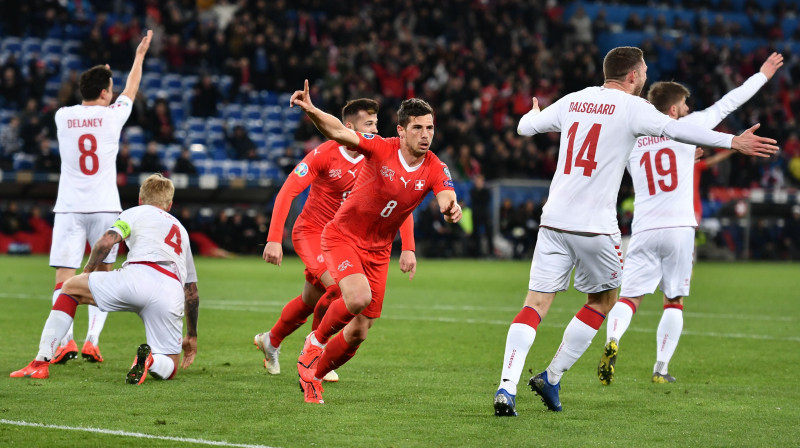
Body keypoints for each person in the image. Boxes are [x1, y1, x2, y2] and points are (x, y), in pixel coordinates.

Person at [493, 46, 778, 416]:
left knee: (534, 305)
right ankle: (552, 376)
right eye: (643, 71)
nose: (645, 76)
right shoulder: (635, 108)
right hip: (596, 228)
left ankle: (506, 387)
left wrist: (532, 115)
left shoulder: (574, 99)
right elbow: (678, 129)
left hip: (554, 220)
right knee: (603, 300)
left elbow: (524, 127)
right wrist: (732, 141)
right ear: (633, 76)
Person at [599, 52, 784, 385]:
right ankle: (660, 369)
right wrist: (762, 75)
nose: (687, 109)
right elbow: (729, 102)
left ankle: (612, 340)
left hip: (643, 228)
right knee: (675, 299)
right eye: (684, 105)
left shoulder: (634, 136)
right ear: (673, 109)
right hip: (680, 228)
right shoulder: (689, 126)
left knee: (630, 297)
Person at [290, 80, 462, 404]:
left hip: (379, 251)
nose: (426, 135)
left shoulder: (436, 167)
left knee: (358, 332)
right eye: (417, 128)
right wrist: (312, 111)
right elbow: (340, 133)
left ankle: (313, 373)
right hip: (343, 236)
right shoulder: (380, 147)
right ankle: (315, 341)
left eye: (430, 128)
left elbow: (446, 196)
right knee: (356, 297)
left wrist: (452, 208)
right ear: (401, 130)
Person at [254, 99, 416, 383]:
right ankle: (316, 351)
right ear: (349, 127)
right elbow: (287, 192)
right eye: (369, 125)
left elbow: (400, 202)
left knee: (310, 300)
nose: (375, 130)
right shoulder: (324, 155)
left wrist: (409, 247)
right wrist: (273, 239)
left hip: (346, 239)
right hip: (313, 233)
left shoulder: (378, 157)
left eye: (377, 124)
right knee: (343, 290)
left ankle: (271, 339)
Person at [11, 173, 199, 384]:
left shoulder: (135, 212)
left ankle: (40, 363)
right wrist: (191, 335)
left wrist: (88, 271)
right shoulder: (181, 231)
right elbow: (191, 291)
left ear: (140, 199)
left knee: (70, 287)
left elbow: (105, 242)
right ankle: (151, 361)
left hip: (137, 278)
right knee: (171, 365)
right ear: (170, 204)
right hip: (170, 290)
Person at [47, 30, 153, 366]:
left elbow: (92, 93)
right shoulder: (113, 115)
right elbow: (131, 90)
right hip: (106, 207)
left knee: (65, 277)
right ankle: (92, 341)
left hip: (69, 208)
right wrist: (138, 57)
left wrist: (98, 78)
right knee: (102, 277)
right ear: (107, 93)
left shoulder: (63, 117)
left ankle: (65, 343)